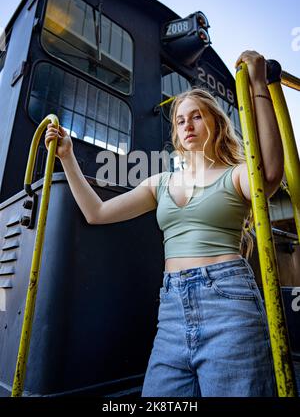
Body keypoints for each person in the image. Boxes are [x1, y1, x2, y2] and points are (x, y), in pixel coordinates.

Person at [45, 50, 283, 397]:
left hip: (228, 304)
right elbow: (96, 213)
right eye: (180, 120)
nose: (187, 125)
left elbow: (271, 173)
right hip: (172, 309)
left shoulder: (235, 176)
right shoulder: (161, 183)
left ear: (215, 123)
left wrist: (259, 85)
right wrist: (66, 156)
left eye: (197, 117)